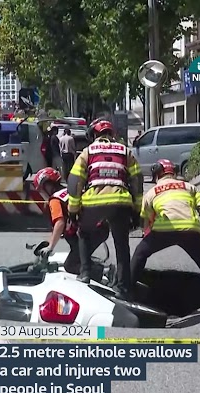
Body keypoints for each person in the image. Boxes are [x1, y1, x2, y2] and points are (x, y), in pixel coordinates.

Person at [130, 159, 200, 310]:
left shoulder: (152, 191)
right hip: (190, 230)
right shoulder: (189, 187)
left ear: (157, 174)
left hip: (164, 230)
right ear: (174, 172)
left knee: (140, 254)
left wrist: (147, 239)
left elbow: (145, 219)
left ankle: (127, 291)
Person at [67, 118, 143, 299]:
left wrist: (73, 208)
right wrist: (137, 209)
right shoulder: (125, 151)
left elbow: (75, 181)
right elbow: (137, 180)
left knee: (84, 232)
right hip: (120, 202)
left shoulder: (88, 151)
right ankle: (123, 288)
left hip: (94, 202)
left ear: (94, 135)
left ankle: (85, 273)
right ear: (112, 134)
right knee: (121, 244)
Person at [32, 167, 112, 282]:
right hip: (99, 228)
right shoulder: (70, 191)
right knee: (74, 246)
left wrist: (50, 247)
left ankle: (107, 272)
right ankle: (96, 267)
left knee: (71, 265)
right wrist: (49, 242)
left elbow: (59, 223)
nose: (41, 193)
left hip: (90, 233)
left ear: (46, 186)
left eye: (41, 190)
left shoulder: (55, 200)